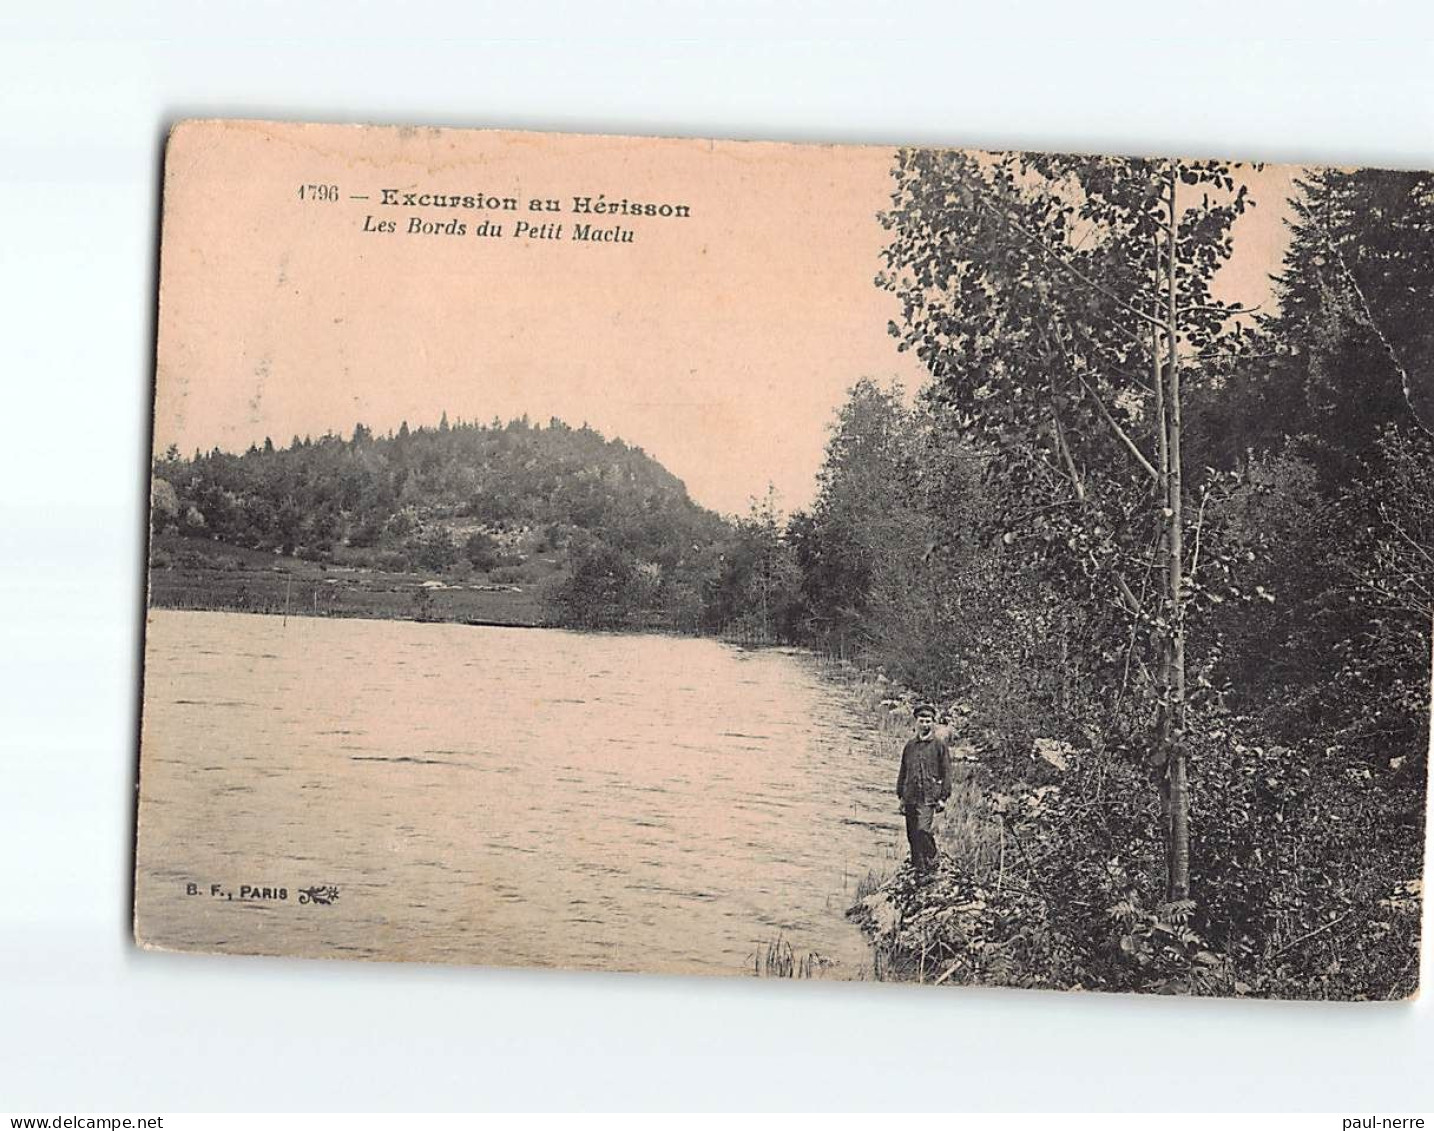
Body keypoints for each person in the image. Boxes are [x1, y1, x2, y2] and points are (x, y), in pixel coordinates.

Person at [896, 701, 952, 877]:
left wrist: (943, 797)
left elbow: (947, 773)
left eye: (928, 721)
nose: (925, 724)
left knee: (923, 831)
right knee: (912, 835)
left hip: (929, 797)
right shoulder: (909, 746)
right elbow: (903, 771)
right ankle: (918, 869)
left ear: (933, 723)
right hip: (911, 795)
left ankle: (933, 858)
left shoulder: (939, 746)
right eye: (922, 720)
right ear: (916, 722)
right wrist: (901, 797)